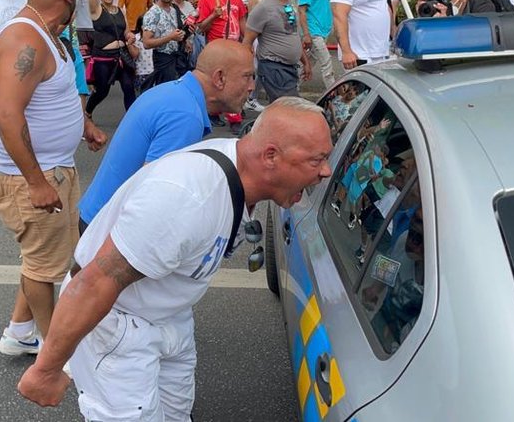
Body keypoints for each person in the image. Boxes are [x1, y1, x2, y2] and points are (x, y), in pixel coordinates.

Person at [17, 97, 334, 419]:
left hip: (169, 315)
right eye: (316, 160)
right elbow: (94, 282)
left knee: (176, 414)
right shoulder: (185, 198)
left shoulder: (238, 167)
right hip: (120, 322)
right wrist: (47, 369)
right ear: (270, 156)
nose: (326, 171)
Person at [0, 0, 107, 357]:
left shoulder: (47, 33)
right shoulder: (27, 40)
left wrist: (83, 122)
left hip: (54, 168)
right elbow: (7, 114)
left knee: (41, 257)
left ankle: (19, 330)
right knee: (42, 266)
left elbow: (51, 95)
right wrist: (37, 183)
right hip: (34, 177)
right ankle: (51, 347)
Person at [79, 39, 255, 229]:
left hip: (98, 217)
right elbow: (156, 198)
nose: (252, 86)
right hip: (108, 229)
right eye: (247, 77)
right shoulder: (185, 114)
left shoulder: (175, 93)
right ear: (219, 78)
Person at [243, 0, 311, 100]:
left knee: (283, 112)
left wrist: (305, 62)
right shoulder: (263, 8)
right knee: (290, 108)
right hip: (273, 69)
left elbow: (293, 35)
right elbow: (246, 44)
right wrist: (248, 76)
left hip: (291, 68)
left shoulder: (290, 5)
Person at [82, 0, 138, 119]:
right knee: (102, 91)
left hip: (122, 56)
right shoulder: (96, 10)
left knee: (128, 87)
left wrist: (129, 37)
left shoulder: (120, 10)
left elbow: (126, 30)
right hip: (103, 59)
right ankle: (88, 112)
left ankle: (133, 119)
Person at [141, 0, 191, 89]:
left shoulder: (174, 9)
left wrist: (187, 34)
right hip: (163, 61)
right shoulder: (152, 14)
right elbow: (146, 43)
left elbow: (179, 32)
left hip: (178, 59)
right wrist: (170, 37)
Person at [297, 0, 338, 88]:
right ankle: (334, 97)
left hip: (325, 30)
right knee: (327, 64)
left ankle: (291, 88)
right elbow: (302, 11)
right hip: (313, 31)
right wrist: (306, 34)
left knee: (310, 62)